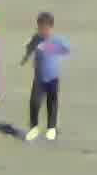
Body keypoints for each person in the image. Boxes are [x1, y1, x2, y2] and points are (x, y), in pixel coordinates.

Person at [23, 11, 70, 143]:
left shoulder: (57, 41)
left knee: (52, 103)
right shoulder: (36, 38)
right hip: (39, 77)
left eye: (44, 28)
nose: (42, 30)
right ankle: (33, 128)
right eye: (39, 27)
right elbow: (30, 47)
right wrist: (26, 57)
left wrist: (55, 50)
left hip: (53, 77)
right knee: (34, 102)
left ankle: (51, 128)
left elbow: (66, 49)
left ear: (50, 27)